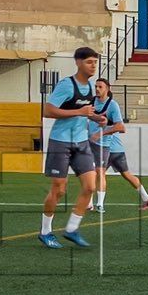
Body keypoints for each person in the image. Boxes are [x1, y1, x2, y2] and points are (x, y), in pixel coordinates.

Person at [40, 48, 105, 249]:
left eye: (95, 62)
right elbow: (48, 111)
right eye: (89, 62)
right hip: (61, 142)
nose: (93, 65)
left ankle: (71, 229)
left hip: (81, 142)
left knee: (90, 186)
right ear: (78, 62)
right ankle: (45, 232)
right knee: (59, 190)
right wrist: (80, 111)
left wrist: (96, 117)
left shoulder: (92, 88)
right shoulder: (66, 85)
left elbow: (84, 112)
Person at [90, 77, 148, 213]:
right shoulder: (92, 103)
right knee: (96, 174)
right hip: (106, 146)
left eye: (100, 87)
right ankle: (146, 197)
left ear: (108, 89)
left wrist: (99, 134)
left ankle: (99, 205)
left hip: (111, 148)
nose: (97, 89)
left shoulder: (112, 105)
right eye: (95, 86)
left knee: (102, 173)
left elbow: (121, 127)